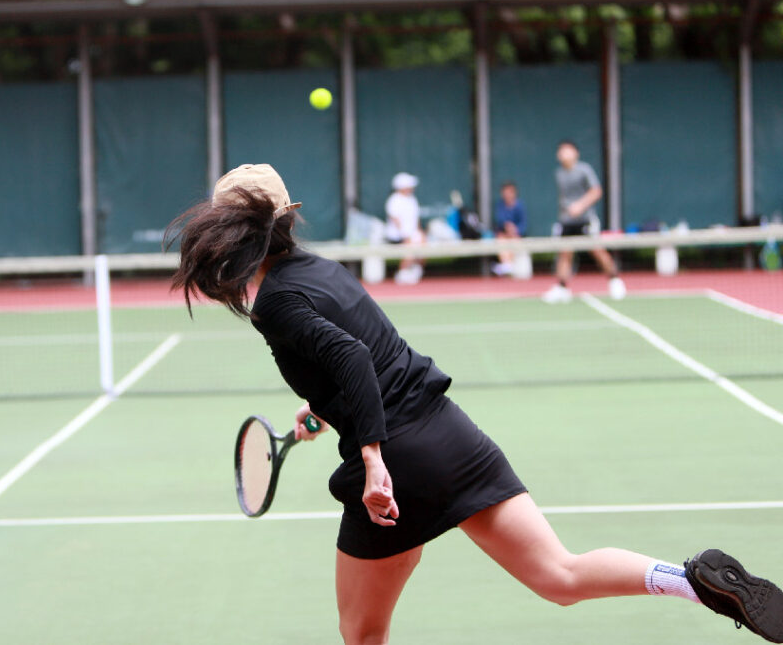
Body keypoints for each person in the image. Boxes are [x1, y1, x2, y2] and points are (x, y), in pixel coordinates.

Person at [166, 162, 783, 645]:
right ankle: (689, 581)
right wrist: (323, 413)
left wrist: (375, 461)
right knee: (559, 576)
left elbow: (354, 361)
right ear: (286, 221)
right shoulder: (325, 270)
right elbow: (368, 359)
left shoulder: (273, 302)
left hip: (397, 468)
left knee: (363, 633)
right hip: (450, 436)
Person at [542, 140, 626, 303]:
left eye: (567, 151)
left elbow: (596, 191)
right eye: (561, 152)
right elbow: (564, 199)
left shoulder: (584, 170)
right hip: (567, 221)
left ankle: (615, 281)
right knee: (565, 253)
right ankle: (562, 288)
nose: (563, 154)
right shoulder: (559, 173)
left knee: (596, 250)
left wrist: (580, 205)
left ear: (575, 153)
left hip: (586, 219)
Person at [384, 172, 424, 285]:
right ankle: (402, 273)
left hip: (411, 234)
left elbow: (416, 219)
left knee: (422, 240)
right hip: (397, 236)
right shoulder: (394, 200)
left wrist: (419, 231)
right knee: (411, 245)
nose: (412, 188)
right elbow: (396, 220)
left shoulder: (412, 199)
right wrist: (406, 236)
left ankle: (416, 270)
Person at [493, 180, 527, 276]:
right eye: (505, 192)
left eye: (509, 192)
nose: (507, 194)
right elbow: (499, 220)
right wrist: (506, 227)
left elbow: (523, 224)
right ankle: (507, 265)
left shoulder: (520, 206)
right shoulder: (500, 204)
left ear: (514, 193)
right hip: (503, 234)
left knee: (514, 241)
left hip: (516, 235)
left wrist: (514, 230)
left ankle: (508, 266)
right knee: (501, 239)